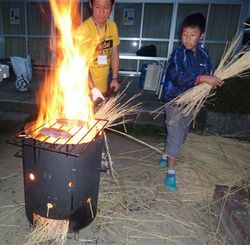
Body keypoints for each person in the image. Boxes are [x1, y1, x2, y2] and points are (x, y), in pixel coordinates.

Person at [158, 13, 223, 192]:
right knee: (176, 135)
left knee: (182, 133)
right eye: (184, 34)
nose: (187, 39)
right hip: (175, 102)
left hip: (192, 104)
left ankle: (165, 154)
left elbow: (210, 72)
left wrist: (214, 81)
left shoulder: (204, 54)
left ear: (201, 34)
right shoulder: (178, 54)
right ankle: (171, 172)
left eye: (192, 34)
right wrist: (202, 78)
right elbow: (177, 77)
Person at [76, 0, 120, 102]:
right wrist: (93, 88)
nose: (101, 12)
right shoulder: (84, 29)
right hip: (84, 91)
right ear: (91, 5)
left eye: (106, 7)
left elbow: (115, 54)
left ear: (112, 6)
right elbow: (81, 63)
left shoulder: (112, 26)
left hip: (102, 89)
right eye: (98, 7)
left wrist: (114, 78)